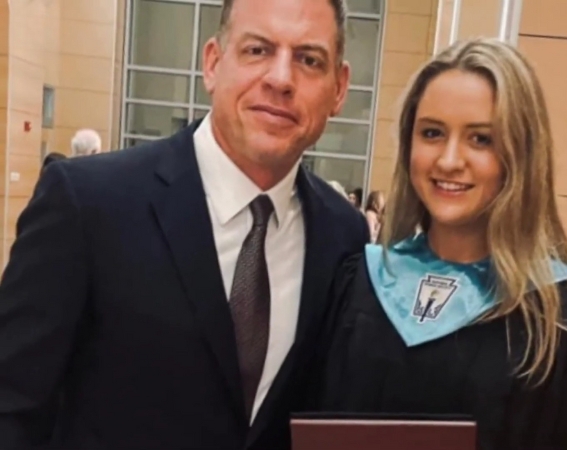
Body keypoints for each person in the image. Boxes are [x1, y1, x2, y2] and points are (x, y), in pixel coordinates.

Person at [0, 0, 367, 449]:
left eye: (309, 60)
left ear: (339, 88)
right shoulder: (88, 204)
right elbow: (11, 403)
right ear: (212, 63)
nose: (281, 79)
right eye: (258, 50)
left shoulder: (343, 235)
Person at [306, 38, 567, 449]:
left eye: (481, 139)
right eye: (432, 133)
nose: (450, 160)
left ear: (521, 154)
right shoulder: (358, 286)